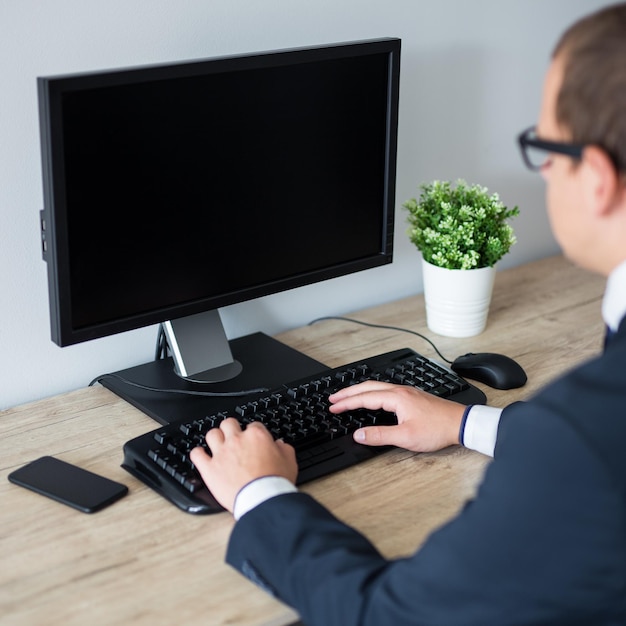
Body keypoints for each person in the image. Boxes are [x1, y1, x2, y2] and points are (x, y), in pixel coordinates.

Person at [190, 4, 626, 624]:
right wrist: (468, 423)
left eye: (544, 146)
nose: (546, 169)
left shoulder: (581, 435)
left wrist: (258, 494)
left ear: (600, 179)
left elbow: (389, 616)